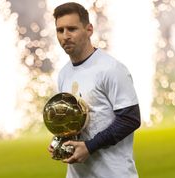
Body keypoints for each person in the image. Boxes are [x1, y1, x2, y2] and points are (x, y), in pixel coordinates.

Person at [48, 2, 141, 178]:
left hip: (113, 173)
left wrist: (90, 147)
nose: (65, 36)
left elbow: (130, 119)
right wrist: (59, 141)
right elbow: (72, 123)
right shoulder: (64, 74)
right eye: (60, 30)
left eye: (72, 29)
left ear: (89, 30)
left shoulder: (110, 68)